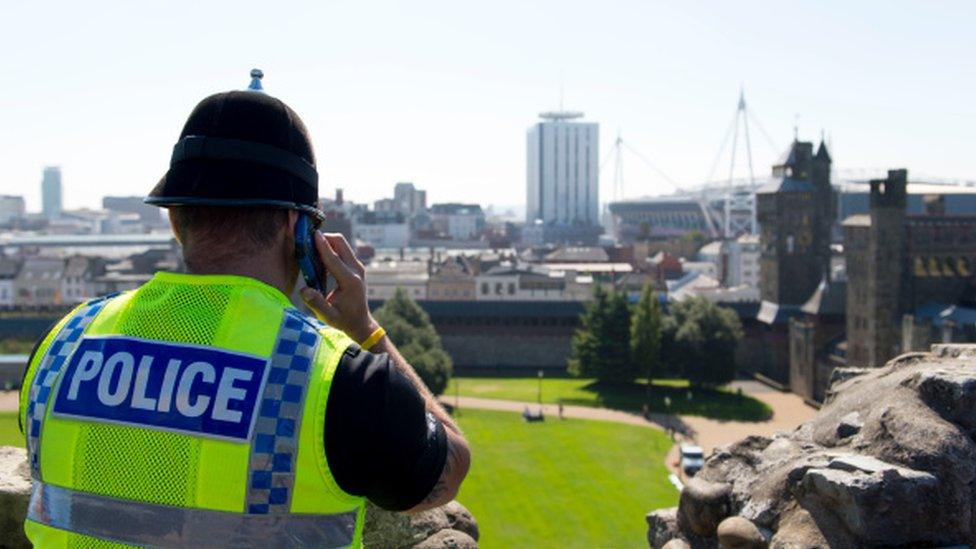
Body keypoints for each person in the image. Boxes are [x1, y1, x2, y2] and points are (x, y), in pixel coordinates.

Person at [19, 71, 470, 548]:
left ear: (176, 219)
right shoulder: (339, 380)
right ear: (297, 228)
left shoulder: (62, 344)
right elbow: (450, 466)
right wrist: (367, 330)